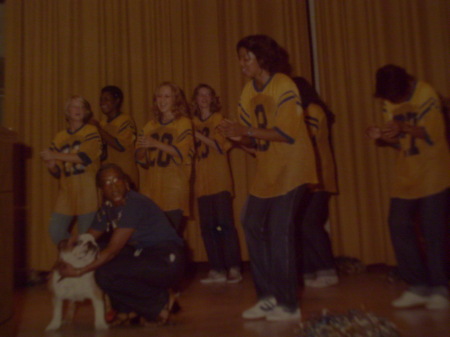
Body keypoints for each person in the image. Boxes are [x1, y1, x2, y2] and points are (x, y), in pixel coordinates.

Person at [218, 35, 317, 321]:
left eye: (246, 58)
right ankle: (267, 297)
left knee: (279, 230)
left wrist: (245, 131)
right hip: (269, 171)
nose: (241, 64)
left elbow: (285, 133)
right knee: (250, 221)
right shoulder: (247, 91)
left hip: (294, 167)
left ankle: (289, 305)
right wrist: (236, 137)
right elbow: (254, 143)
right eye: (240, 58)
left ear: (262, 59)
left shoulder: (284, 84)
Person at [59, 163, 186, 325]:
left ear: (126, 182)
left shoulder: (134, 203)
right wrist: (69, 251)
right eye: (107, 183)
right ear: (101, 190)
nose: (113, 186)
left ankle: (160, 302)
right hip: (144, 256)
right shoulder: (107, 207)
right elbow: (89, 237)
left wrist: (79, 271)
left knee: (106, 266)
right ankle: (126, 310)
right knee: (102, 260)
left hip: (167, 260)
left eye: (116, 180)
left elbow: (113, 250)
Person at [366, 64, 450, 310]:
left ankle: (441, 288)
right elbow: (400, 143)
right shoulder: (388, 102)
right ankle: (418, 286)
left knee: (432, 229)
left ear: (406, 86)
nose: (393, 101)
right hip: (408, 174)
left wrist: (402, 127)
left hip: (435, 170)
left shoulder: (426, 94)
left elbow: (433, 133)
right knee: (398, 223)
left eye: (397, 96)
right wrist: (381, 136)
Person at [190, 83, 242, 284]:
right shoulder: (191, 122)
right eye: (200, 94)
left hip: (219, 179)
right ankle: (217, 268)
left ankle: (234, 267)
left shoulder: (219, 119)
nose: (203, 98)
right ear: (195, 99)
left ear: (213, 99)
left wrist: (200, 136)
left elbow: (221, 147)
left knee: (225, 224)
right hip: (201, 181)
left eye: (207, 94)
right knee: (207, 226)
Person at [292, 77, 339, 288]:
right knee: (300, 223)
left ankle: (327, 269)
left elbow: (306, 141)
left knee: (310, 223)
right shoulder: (300, 112)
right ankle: (310, 269)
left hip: (318, 176)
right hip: (305, 176)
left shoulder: (312, 110)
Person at [41, 95, 102, 245]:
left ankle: (82, 264)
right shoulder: (60, 136)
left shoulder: (91, 131)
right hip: (67, 192)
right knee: (55, 230)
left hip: (88, 192)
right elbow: (57, 172)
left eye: (82, 107)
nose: (78, 110)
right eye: (74, 106)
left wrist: (54, 154)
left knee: (86, 238)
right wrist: (51, 165)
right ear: (67, 111)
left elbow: (85, 157)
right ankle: (73, 257)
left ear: (86, 111)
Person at [136, 82, 194, 235]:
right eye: (159, 96)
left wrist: (155, 143)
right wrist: (143, 148)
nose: (162, 100)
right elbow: (140, 159)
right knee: (152, 237)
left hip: (174, 188)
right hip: (152, 188)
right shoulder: (150, 125)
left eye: (167, 96)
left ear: (176, 99)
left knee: (168, 237)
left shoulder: (183, 123)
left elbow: (182, 152)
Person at [89, 85, 139, 187]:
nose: (102, 103)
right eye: (101, 99)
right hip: (109, 175)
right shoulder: (103, 124)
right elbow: (102, 153)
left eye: (106, 99)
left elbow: (120, 146)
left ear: (117, 101)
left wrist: (98, 130)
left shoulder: (125, 120)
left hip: (125, 174)